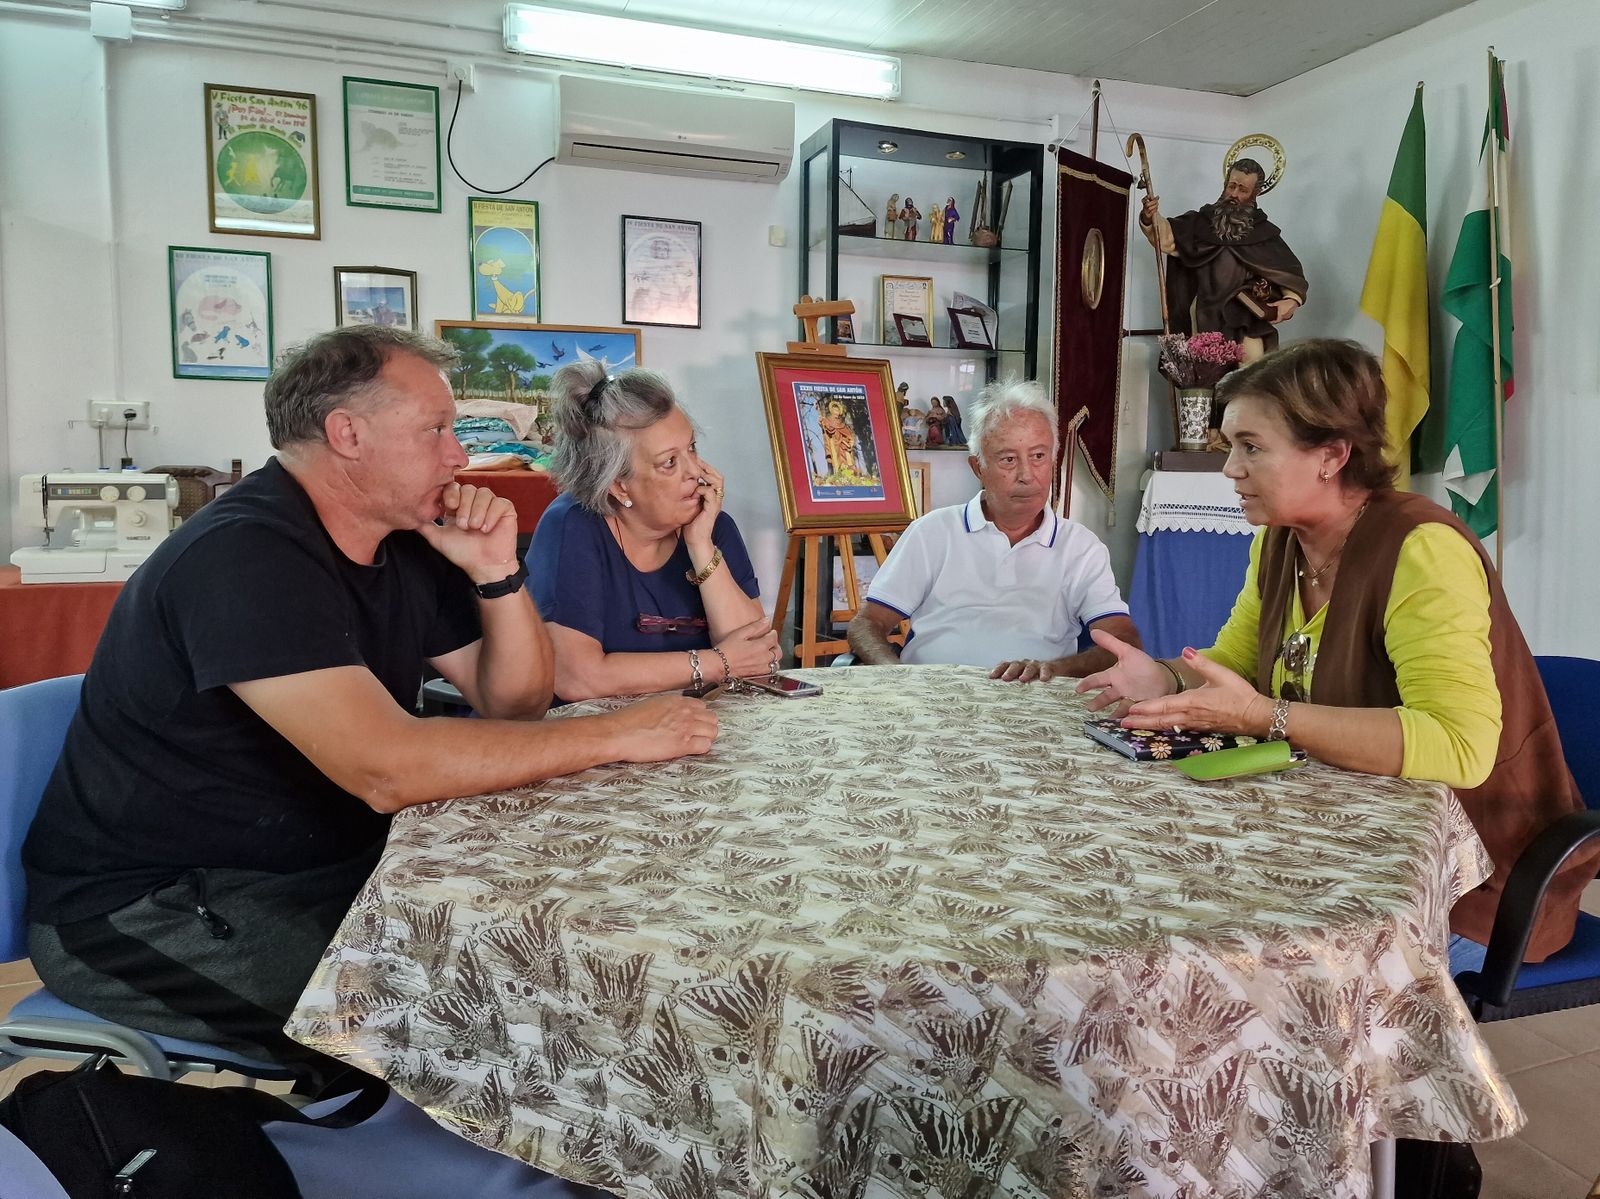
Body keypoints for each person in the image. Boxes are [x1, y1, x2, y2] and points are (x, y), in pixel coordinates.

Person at [22, 326, 718, 1084]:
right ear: (347, 434)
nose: (459, 454)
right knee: (485, 1033)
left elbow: (511, 700)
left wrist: (496, 573)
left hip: (322, 861)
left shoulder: (403, 538)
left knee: (558, 972)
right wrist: (618, 733)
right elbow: (387, 768)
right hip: (153, 906)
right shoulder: (243, 557)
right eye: (437, 430)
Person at [1078, 339, 1597, 964]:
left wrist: (1267, 718)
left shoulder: (1422, 552)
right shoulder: (1281, 542)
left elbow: (1459, 748)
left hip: (1465, 881)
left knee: (1246, 975)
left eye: (1251, 447)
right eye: (1229, 446)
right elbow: (1238, 664)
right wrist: (1162, 678)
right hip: (1341, 846)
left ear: (1330, 455)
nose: (1230, 470)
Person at [848, 378, 1140, 679]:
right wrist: (896, 678)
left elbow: (1124, 643)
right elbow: (866, 623)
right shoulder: (932, 532)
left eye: (1039, 456)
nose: (1027, 475)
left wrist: (1054, 670)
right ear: (978, 468)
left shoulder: (1080, 547)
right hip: (933, 697)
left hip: (1034, 700)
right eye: (1008, 459)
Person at [526, 361, 778, 702]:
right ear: (619, 485)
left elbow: (755, 659)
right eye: (669, 463)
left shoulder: (713, 526)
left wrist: (700, 544)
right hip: (584, 733)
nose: (696, 472)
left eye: (692, 448)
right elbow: (576, 678)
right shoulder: (573, 526)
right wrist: (718, 662)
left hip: (683, 729)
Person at [1140, 158, 1308, 361]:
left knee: (1250, 372)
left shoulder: (1264, 233)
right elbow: (1166, 238)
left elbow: (1288, 273)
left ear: (1255, 194)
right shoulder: (1199, 222)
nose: (1235, 194)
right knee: (1204, 372)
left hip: (1245, 314)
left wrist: (1291, 300)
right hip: (1203, 312)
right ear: (1225, 184)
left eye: (1243, 190)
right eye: (1232, 186)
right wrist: (1151, 217)